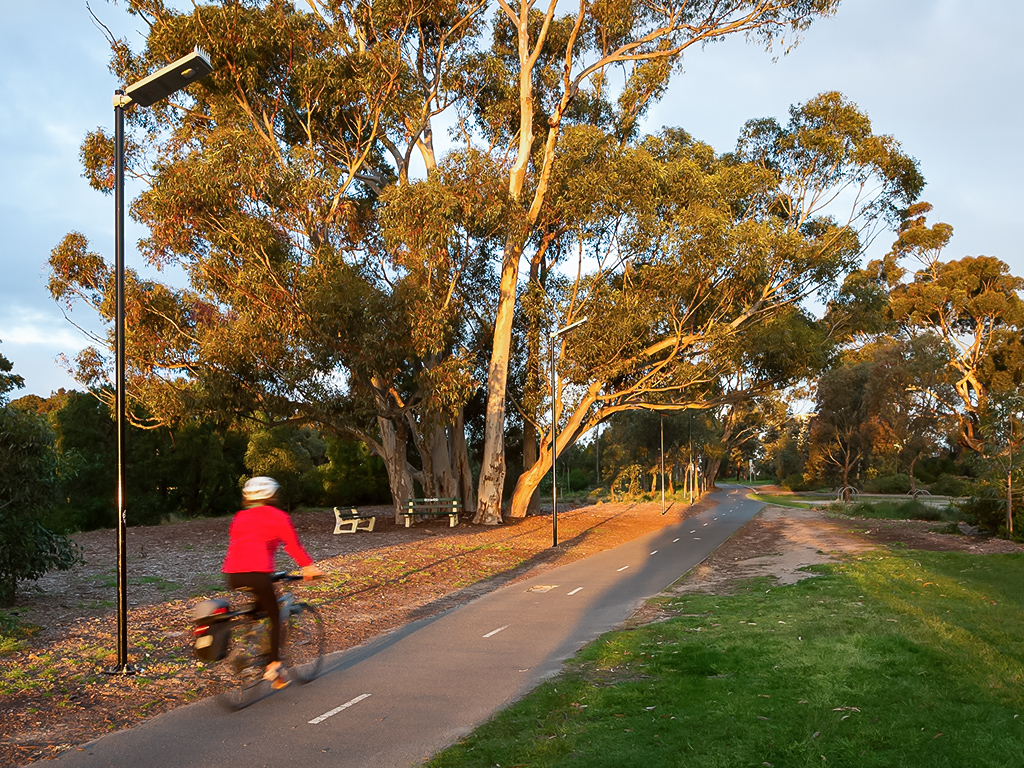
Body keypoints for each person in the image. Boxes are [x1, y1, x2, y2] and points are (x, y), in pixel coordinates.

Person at [222, 476, 324, 688]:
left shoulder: (240, 516)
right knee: (276, 616)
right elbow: (292, 545)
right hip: (258, 573)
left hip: (233, 574)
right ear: (271, 496)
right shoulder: (277, 516)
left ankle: (251, 632)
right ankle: (273, 666)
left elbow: (241, 543)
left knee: (260, 606)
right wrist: (308, 567)